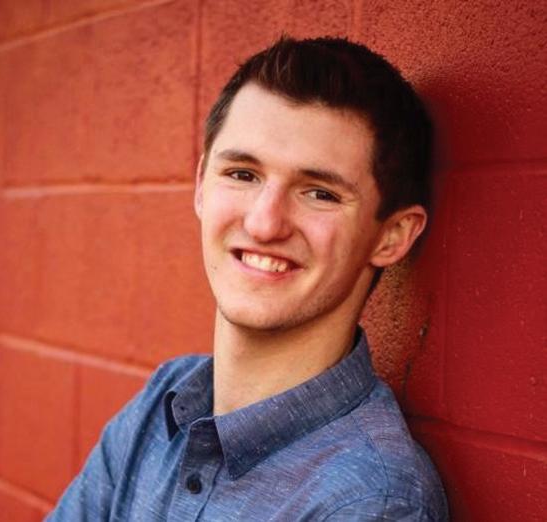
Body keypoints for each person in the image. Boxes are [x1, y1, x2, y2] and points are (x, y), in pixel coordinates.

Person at [48, 36, 448, 521]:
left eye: (319, 193)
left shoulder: (370, 501)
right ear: (201, 185)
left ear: (391, 236)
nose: (263, 224)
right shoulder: (163, 402)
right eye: (242, 174)